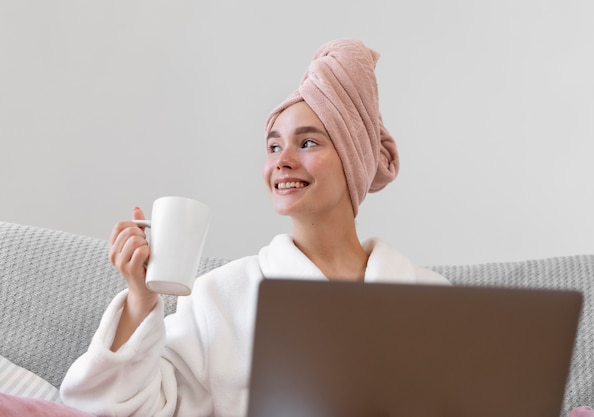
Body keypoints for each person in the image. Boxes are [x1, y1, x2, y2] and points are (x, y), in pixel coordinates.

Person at [59, 38, 450, 417]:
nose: (282, 161)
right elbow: (123, 409)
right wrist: (140, 299)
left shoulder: (434, 299)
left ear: (353, 160)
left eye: (308, 143)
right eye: (274, 147)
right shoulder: (219, 297)